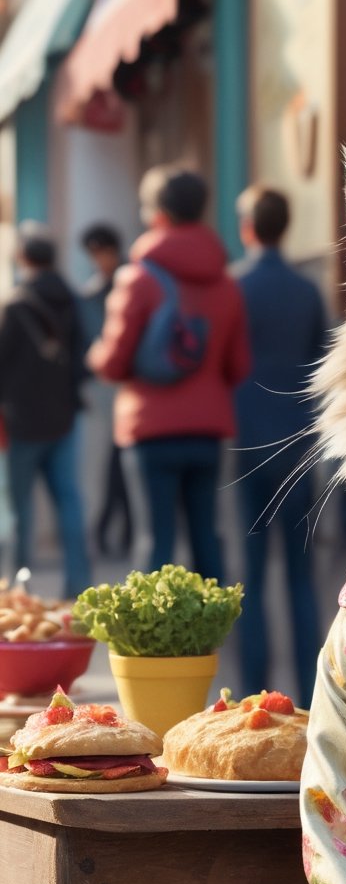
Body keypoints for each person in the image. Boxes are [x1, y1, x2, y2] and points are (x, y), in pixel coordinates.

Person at [88, 166, 250, 583]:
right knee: (206, 538)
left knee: (153, 541)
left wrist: (96, 355)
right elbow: (238, 367)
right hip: (208, 432)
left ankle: (152, 647)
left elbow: (114, 362)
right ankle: (214, 640)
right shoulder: (226, 283)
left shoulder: (137, 278)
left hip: (149, 430)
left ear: (158, 213)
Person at [232, 184, 327, 706]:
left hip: (244, 444)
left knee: (250, 572)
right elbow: (320, 367)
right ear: (285, 226)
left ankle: (251, 692)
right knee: (300, 573)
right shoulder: (306, 290)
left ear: (247, 228)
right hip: (295, 444)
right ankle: (313, 696)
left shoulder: (235, 287)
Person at [0, 222, 91, 596]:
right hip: (64, 418)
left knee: (20, 509)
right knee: (68, 500)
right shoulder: (73, 298)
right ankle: (78, 582)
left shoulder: (14, 304)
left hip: (20, 422)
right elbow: (85, 360)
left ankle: (19, 586)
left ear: (22, 257)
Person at [79, 223, 133, 558]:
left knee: (120, 468)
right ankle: (107, 531)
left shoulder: (131, 282)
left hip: (130, 391)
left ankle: (113, 531)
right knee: (112, 468)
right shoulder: (89, 295)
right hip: (105, 394)